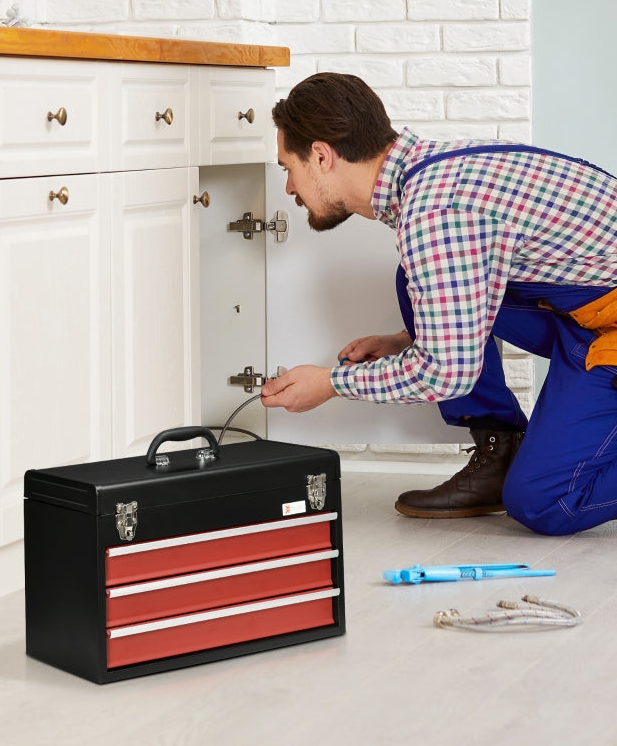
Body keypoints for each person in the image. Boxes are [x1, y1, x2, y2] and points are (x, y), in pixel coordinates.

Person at [261, 71, 617, 536]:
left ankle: (522, 473)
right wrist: (410, 337)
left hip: (605, 327)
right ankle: (501, 454)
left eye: (288, 167)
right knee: (413, 280)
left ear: (322, 155)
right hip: (588, 307)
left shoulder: (435, 212)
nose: (289, 188)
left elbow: (446, 373)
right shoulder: (435, 169)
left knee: (544, 501)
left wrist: (330, 383)